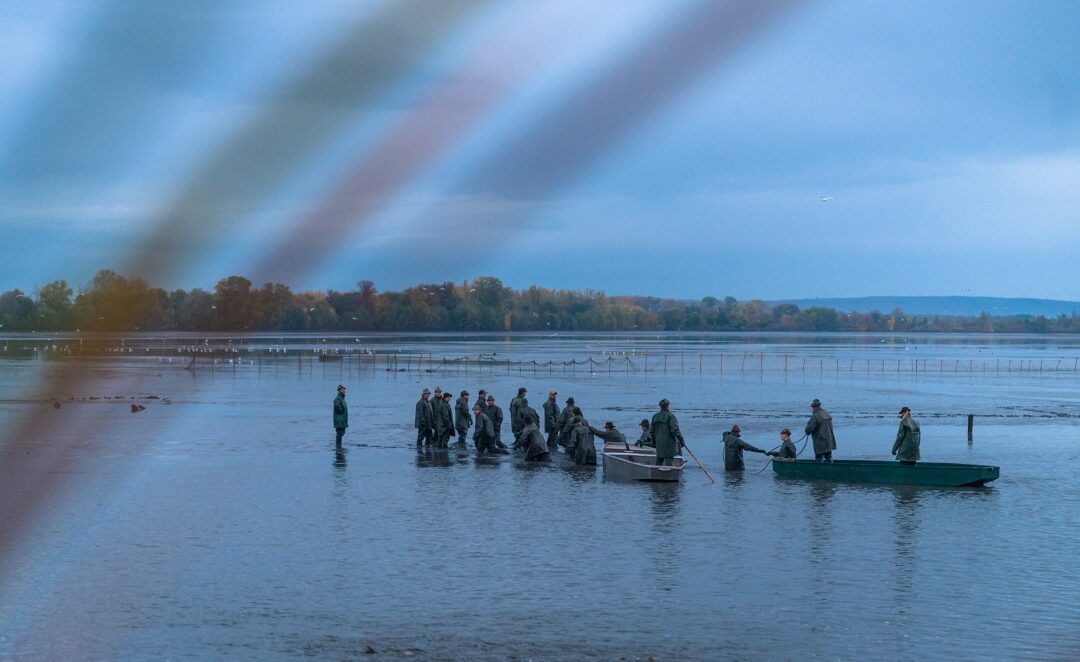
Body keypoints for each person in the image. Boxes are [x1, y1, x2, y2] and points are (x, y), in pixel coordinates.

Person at [650, 399, 685, 466]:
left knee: (659, 461)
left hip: (659, 444)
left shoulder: (655, 416)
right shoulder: (671, 416)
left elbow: (652, 432)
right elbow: (675, 430)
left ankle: (657, 474)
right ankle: (668, 475)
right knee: (669, 463)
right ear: (668, 406)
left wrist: (654, 442)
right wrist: (681, 440)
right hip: (669, 444)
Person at [804, 398, 837, 462]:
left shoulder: (816, 415)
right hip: (829, 440)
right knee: (828, 457)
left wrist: (807, 431)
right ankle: (830, 469)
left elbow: (810, 427)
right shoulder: (826, 413)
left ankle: (819, 471)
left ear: (814, 407)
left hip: (820, 441)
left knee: (819, 458)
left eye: (812, 407)